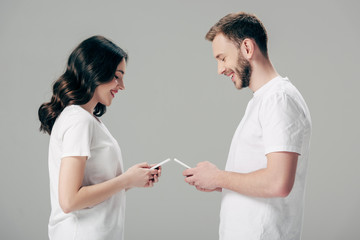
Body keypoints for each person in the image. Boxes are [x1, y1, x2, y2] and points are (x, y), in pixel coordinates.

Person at [183, 12, 312, 240]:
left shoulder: (278, 99)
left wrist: (218, 177)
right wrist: (218, 182)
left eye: (222, 58)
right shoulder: (263, 100)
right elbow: (262, 180)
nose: (220, 69)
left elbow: (278, 182)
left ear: (247, 48)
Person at [38, 35, 160, 240]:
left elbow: (91, 187)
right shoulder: (79, 120)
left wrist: (132, 180)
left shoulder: (85, 119)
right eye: (117, 76)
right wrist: (125, 180)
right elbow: (70, 200)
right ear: (96, 71)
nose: (122, 86)